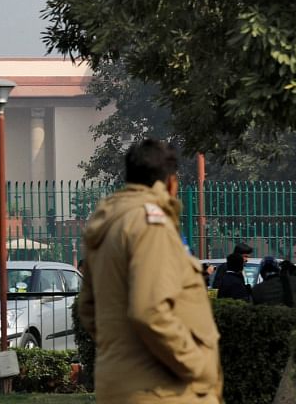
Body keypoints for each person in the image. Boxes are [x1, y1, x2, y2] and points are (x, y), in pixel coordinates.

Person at [78, 139, 221, 403]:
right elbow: (150, 311)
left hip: (125, 383)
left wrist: (124, 350)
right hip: (162, 389)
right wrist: (197, 364)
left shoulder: (111, 223)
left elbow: (88, 308)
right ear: (170, 181)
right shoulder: (150, 223)